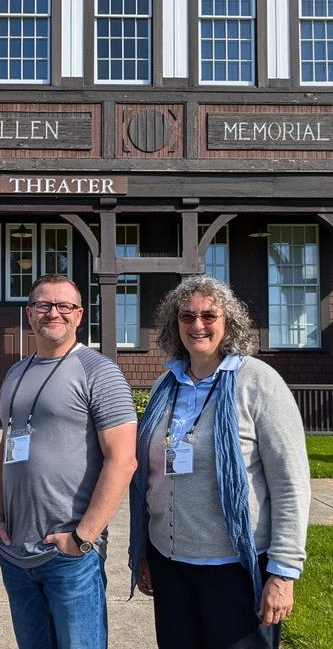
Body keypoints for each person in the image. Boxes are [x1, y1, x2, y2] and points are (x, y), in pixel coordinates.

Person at [129, 276, 311, 649]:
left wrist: (283, 573)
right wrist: (145, 551)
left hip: (235, 569)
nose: (197, 325)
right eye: (186, 316)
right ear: (173, 323)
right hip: (171, 563)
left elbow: (291, 483)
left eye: (209, 315)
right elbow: (151, 476)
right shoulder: (168, 384)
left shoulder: (258, 383)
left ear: (229, 323)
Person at [0, 274, 138, 649]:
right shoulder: (14, 373)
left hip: (69, 557)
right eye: (43, 305)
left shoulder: (98, 371)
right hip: (16, 553)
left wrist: (82, 538)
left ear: (79, 315)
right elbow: (6, 447)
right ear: (29, 314)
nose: (52, 313)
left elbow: (122, 460)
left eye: (63, 306)